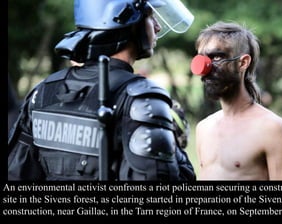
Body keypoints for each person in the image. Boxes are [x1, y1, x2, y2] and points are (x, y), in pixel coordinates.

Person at [8, 0, 196, 181]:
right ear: (130, 23)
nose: (157, 27)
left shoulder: (43, 92)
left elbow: (16, 173)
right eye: (150, 17)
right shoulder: (142, 98)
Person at [191, 21, 282, 180]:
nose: (205, 68)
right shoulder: (203, 128)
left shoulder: (272, 128)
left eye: (217, 57)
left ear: (243, 63)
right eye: (202, 58)